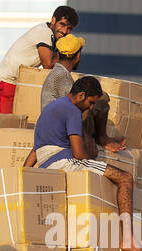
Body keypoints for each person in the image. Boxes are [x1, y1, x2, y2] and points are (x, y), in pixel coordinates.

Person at [31, 75, 137, 251]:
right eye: (91, 102)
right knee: (125, 178)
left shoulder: (51, 108)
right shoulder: (72, 111)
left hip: (45, 164)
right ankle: (128, 238)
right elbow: (79, 154)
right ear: (80, 96)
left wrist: (26, 172)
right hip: (65, 162)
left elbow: (35, 150)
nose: (91, 107)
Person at [25, 36, 125, 166]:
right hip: (60, 128)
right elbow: (72, 111)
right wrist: (86, 140)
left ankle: (100, 137)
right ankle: (102, 139)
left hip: (54, 126)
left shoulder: (59, 73)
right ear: (77, 56)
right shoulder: (62, 77)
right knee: (102, 98)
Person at [0, 5, 79, 114]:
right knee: (3, 125)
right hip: (3, 82)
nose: (64, 31)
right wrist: (69, 52)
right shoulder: (45, 32)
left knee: (14, 126)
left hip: (15, 85)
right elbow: (48, 65)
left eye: (69, 28)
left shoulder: (53, 37)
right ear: (53, 20)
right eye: (62, 24)